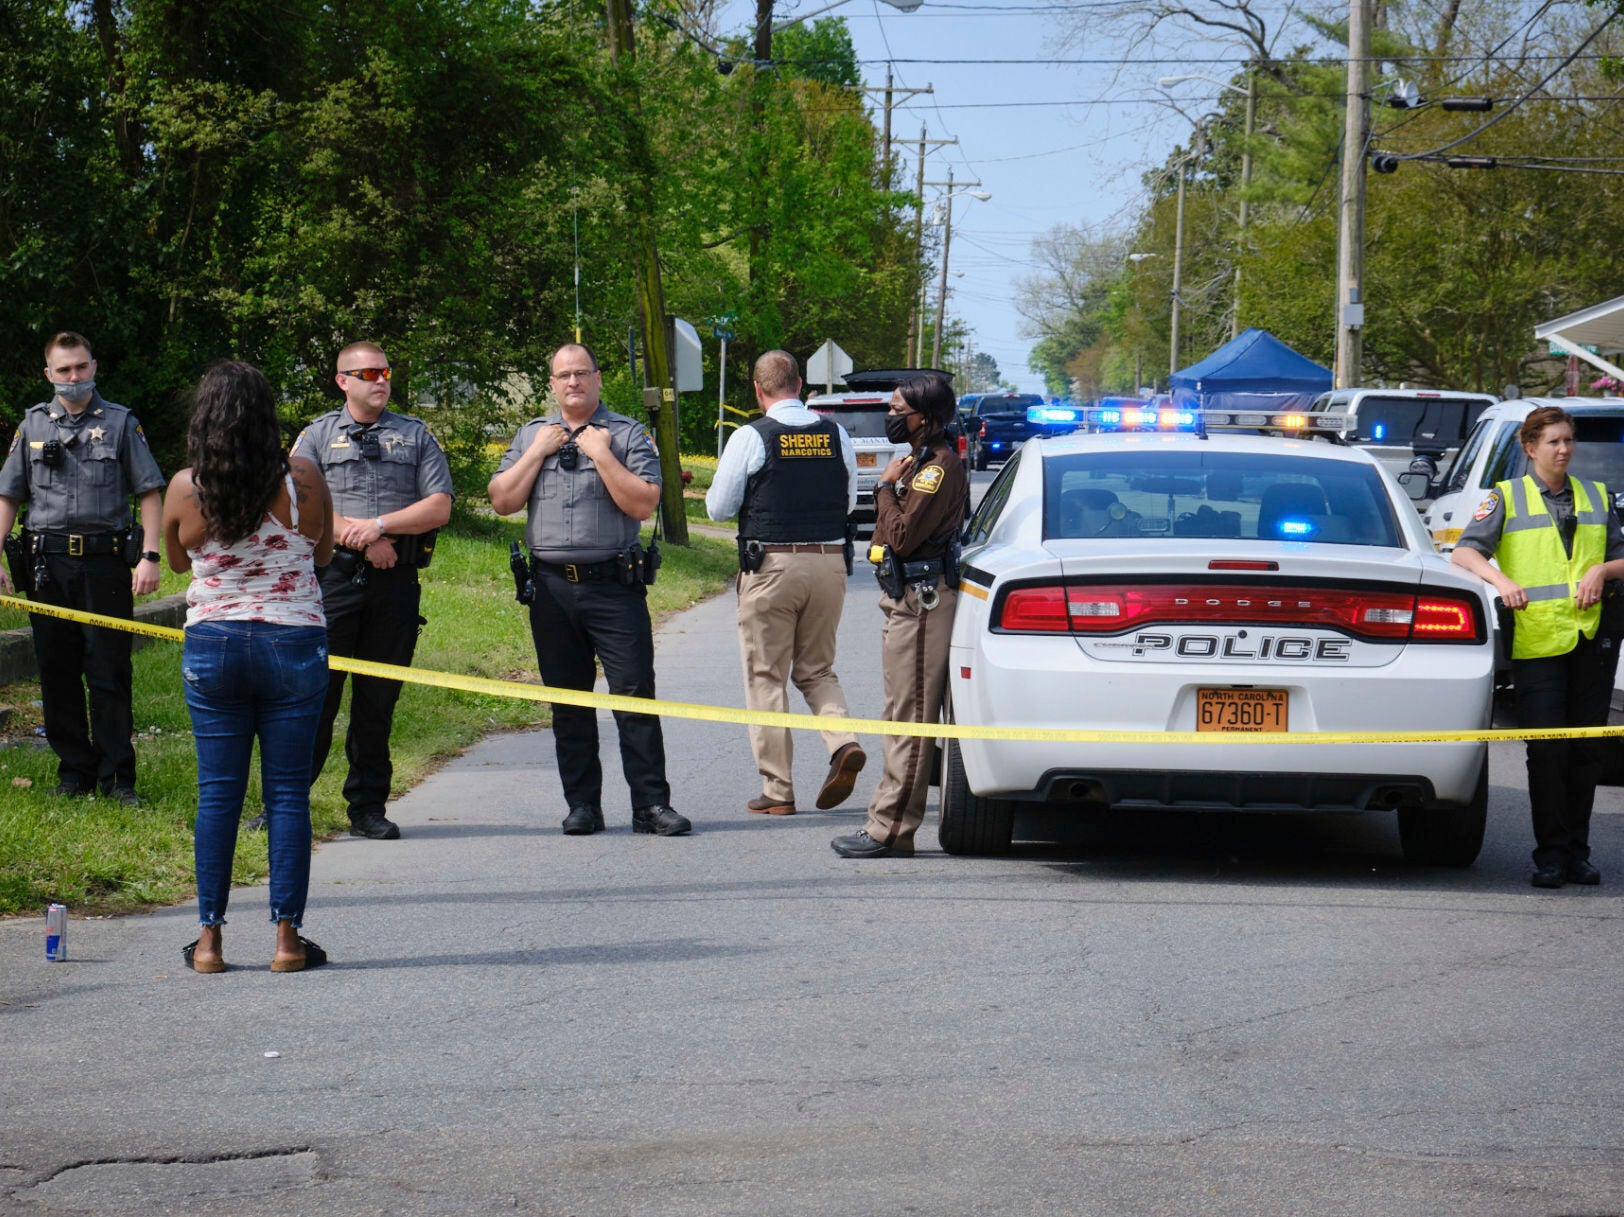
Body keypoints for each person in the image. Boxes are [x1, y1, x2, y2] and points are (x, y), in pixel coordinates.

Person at [162, 361, 334, 973]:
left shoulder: (187, 486)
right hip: (293, 641)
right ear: (268, 415)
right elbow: (324, 550)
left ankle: (209, 941)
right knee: (288, 794)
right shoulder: (304, 477)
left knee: (218, 796)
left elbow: (179, 564)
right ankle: (287, 942)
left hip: (215, 644)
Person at [488, 343, 689, 837]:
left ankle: (650, 806)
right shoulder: (531, 434)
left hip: (613, 588)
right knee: (568, 701)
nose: (573, 382)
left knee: (635, 695)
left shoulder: (624, 434)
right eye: (563, 375)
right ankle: (582, 805)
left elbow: (643, 504)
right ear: (552, 384)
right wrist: (537, 452)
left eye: (582, 373)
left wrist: (601, 455)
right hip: (551, 590)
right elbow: (502, 501)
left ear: (598, 379)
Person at [1451, 405, 1624, 888]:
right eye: (1554, 442)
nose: (1564, 449)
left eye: (1569, 440)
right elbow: (1465, 550)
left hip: (1591, 638)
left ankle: (1578, 855)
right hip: (1537, 641)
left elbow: (1620, 558)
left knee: (1586, 752)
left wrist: (1602, 570)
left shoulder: (1595, 495)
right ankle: (1550, 855)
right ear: (1530, 449)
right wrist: (1500, 579)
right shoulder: (1505, 497)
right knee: (1548, 753)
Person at [290, 342, 453, 840]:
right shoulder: (316, 436)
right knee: (314, 699)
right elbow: (294, 502)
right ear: (343, 381)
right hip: (333, 582)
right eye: (367, 373)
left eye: (385, 371)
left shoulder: (416, 435)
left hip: (395, 582)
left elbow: (440, 505)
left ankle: (367, 807)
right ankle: (287, 807)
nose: (380, 380)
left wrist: (378, 527)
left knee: (377, 701)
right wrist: (357, 536)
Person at [0, 331, 165, 803]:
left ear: (94, 366)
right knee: (56, 669)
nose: (73, 377)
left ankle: (118, 778)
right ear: (48, 374)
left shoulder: (120, 423)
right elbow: (8, 494)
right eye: (64, 370)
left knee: (109, 671)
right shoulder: (31, 426)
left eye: (81, 367)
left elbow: (149, 491)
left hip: (105, 563)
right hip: (46, 564)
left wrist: (150, 556)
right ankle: (74, 773)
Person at [706, 350, 866, 816]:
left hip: (771, 566)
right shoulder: (835, 434)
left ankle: (778, 791)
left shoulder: (751, 437)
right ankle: (843, 743)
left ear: (759, 391)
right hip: (830, 564)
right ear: (800, 385)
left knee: (766, 677)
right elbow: (850, 499)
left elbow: (718, 508)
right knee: (817, 670)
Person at [832, 372, 969, 859]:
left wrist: (884, 489)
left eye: (897, 410)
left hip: (924, 601)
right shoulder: (920, 462)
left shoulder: (938, 468)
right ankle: (886, 820)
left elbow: (904, 536)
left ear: (925, 418)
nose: (890, 417)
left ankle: (891, 829)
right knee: (898, 716)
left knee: (911, 719)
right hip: (905, 597)